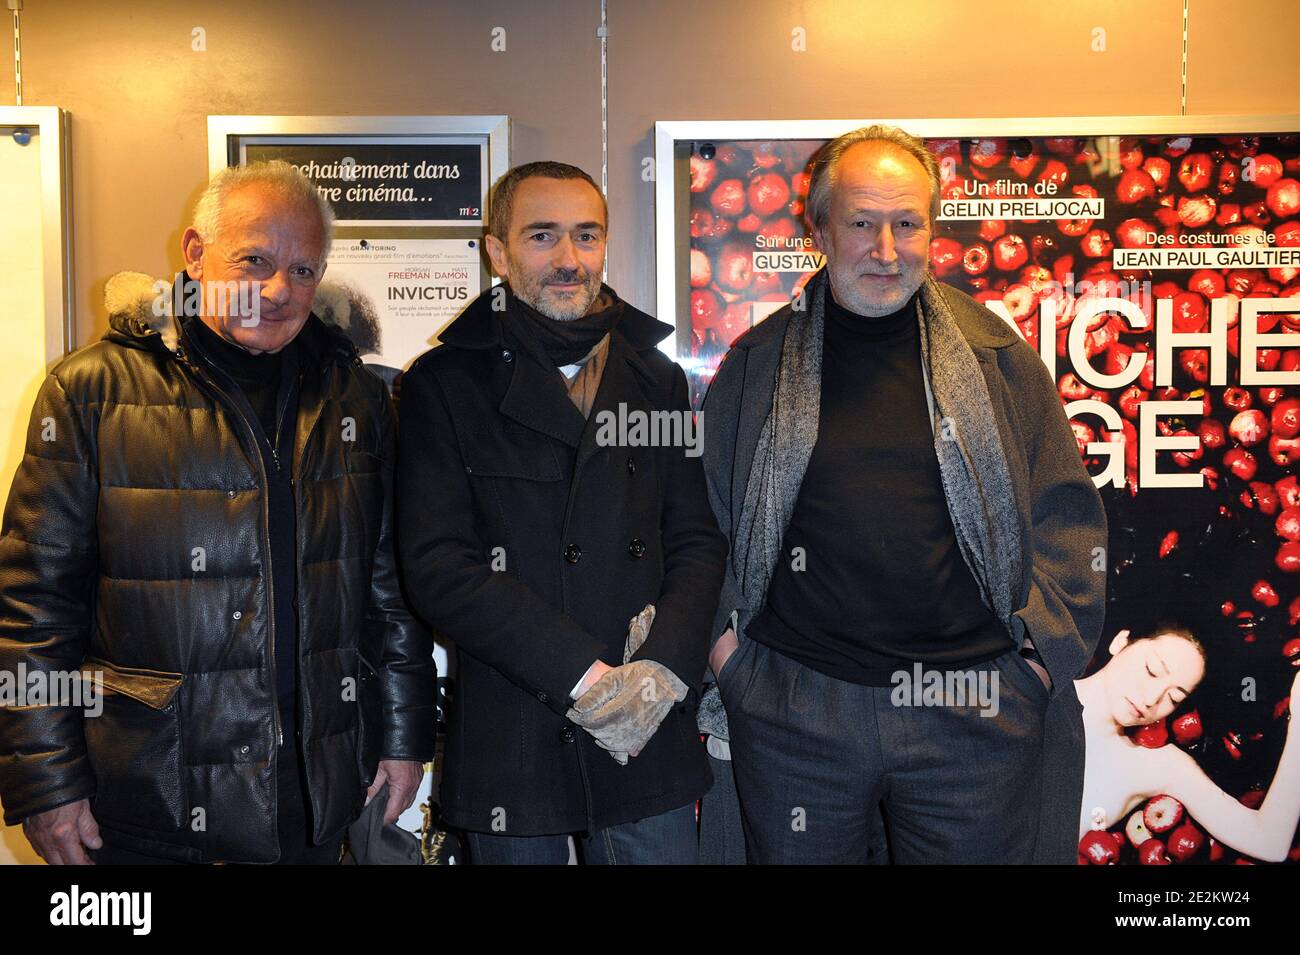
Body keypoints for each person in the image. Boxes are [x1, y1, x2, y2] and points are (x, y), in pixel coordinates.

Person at [0, 160, 436, 864]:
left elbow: (390, 594)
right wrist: (44, 781)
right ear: (195, 255)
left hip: (314, 793)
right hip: (146, 798)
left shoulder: (354, 400)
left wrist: (404, 737)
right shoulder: (91, 392)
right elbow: (31, 608)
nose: (277, 290)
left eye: (302, 270)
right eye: (255, 260)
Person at [699, 124, 1108, 864]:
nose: (885, 250)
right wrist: (737, 670)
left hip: (976, 709)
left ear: (932, 227)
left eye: (907, 223)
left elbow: (1069, 519)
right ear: (818, 227)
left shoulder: (998, 359)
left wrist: (1034, 665)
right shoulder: (758, 364)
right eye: (861, 222)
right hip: (797, 710)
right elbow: (702, 530)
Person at [397, 160, 726, 864]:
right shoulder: (444, 383)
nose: (569, 259)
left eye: (587, 235)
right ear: (498, 250)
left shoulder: (658, 379)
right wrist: (586, 677)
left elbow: (696, 540)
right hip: (515, 726)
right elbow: (438, 567)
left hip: (648, 727)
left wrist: (664, 667)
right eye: (543, 236)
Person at [1078, 627, 1300, 862]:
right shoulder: (1038, 696)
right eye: (1151, 671)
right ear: (1120, 642)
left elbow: (1268, 842)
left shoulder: (1153, 764)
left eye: (1174, 697)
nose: (1152, 698)